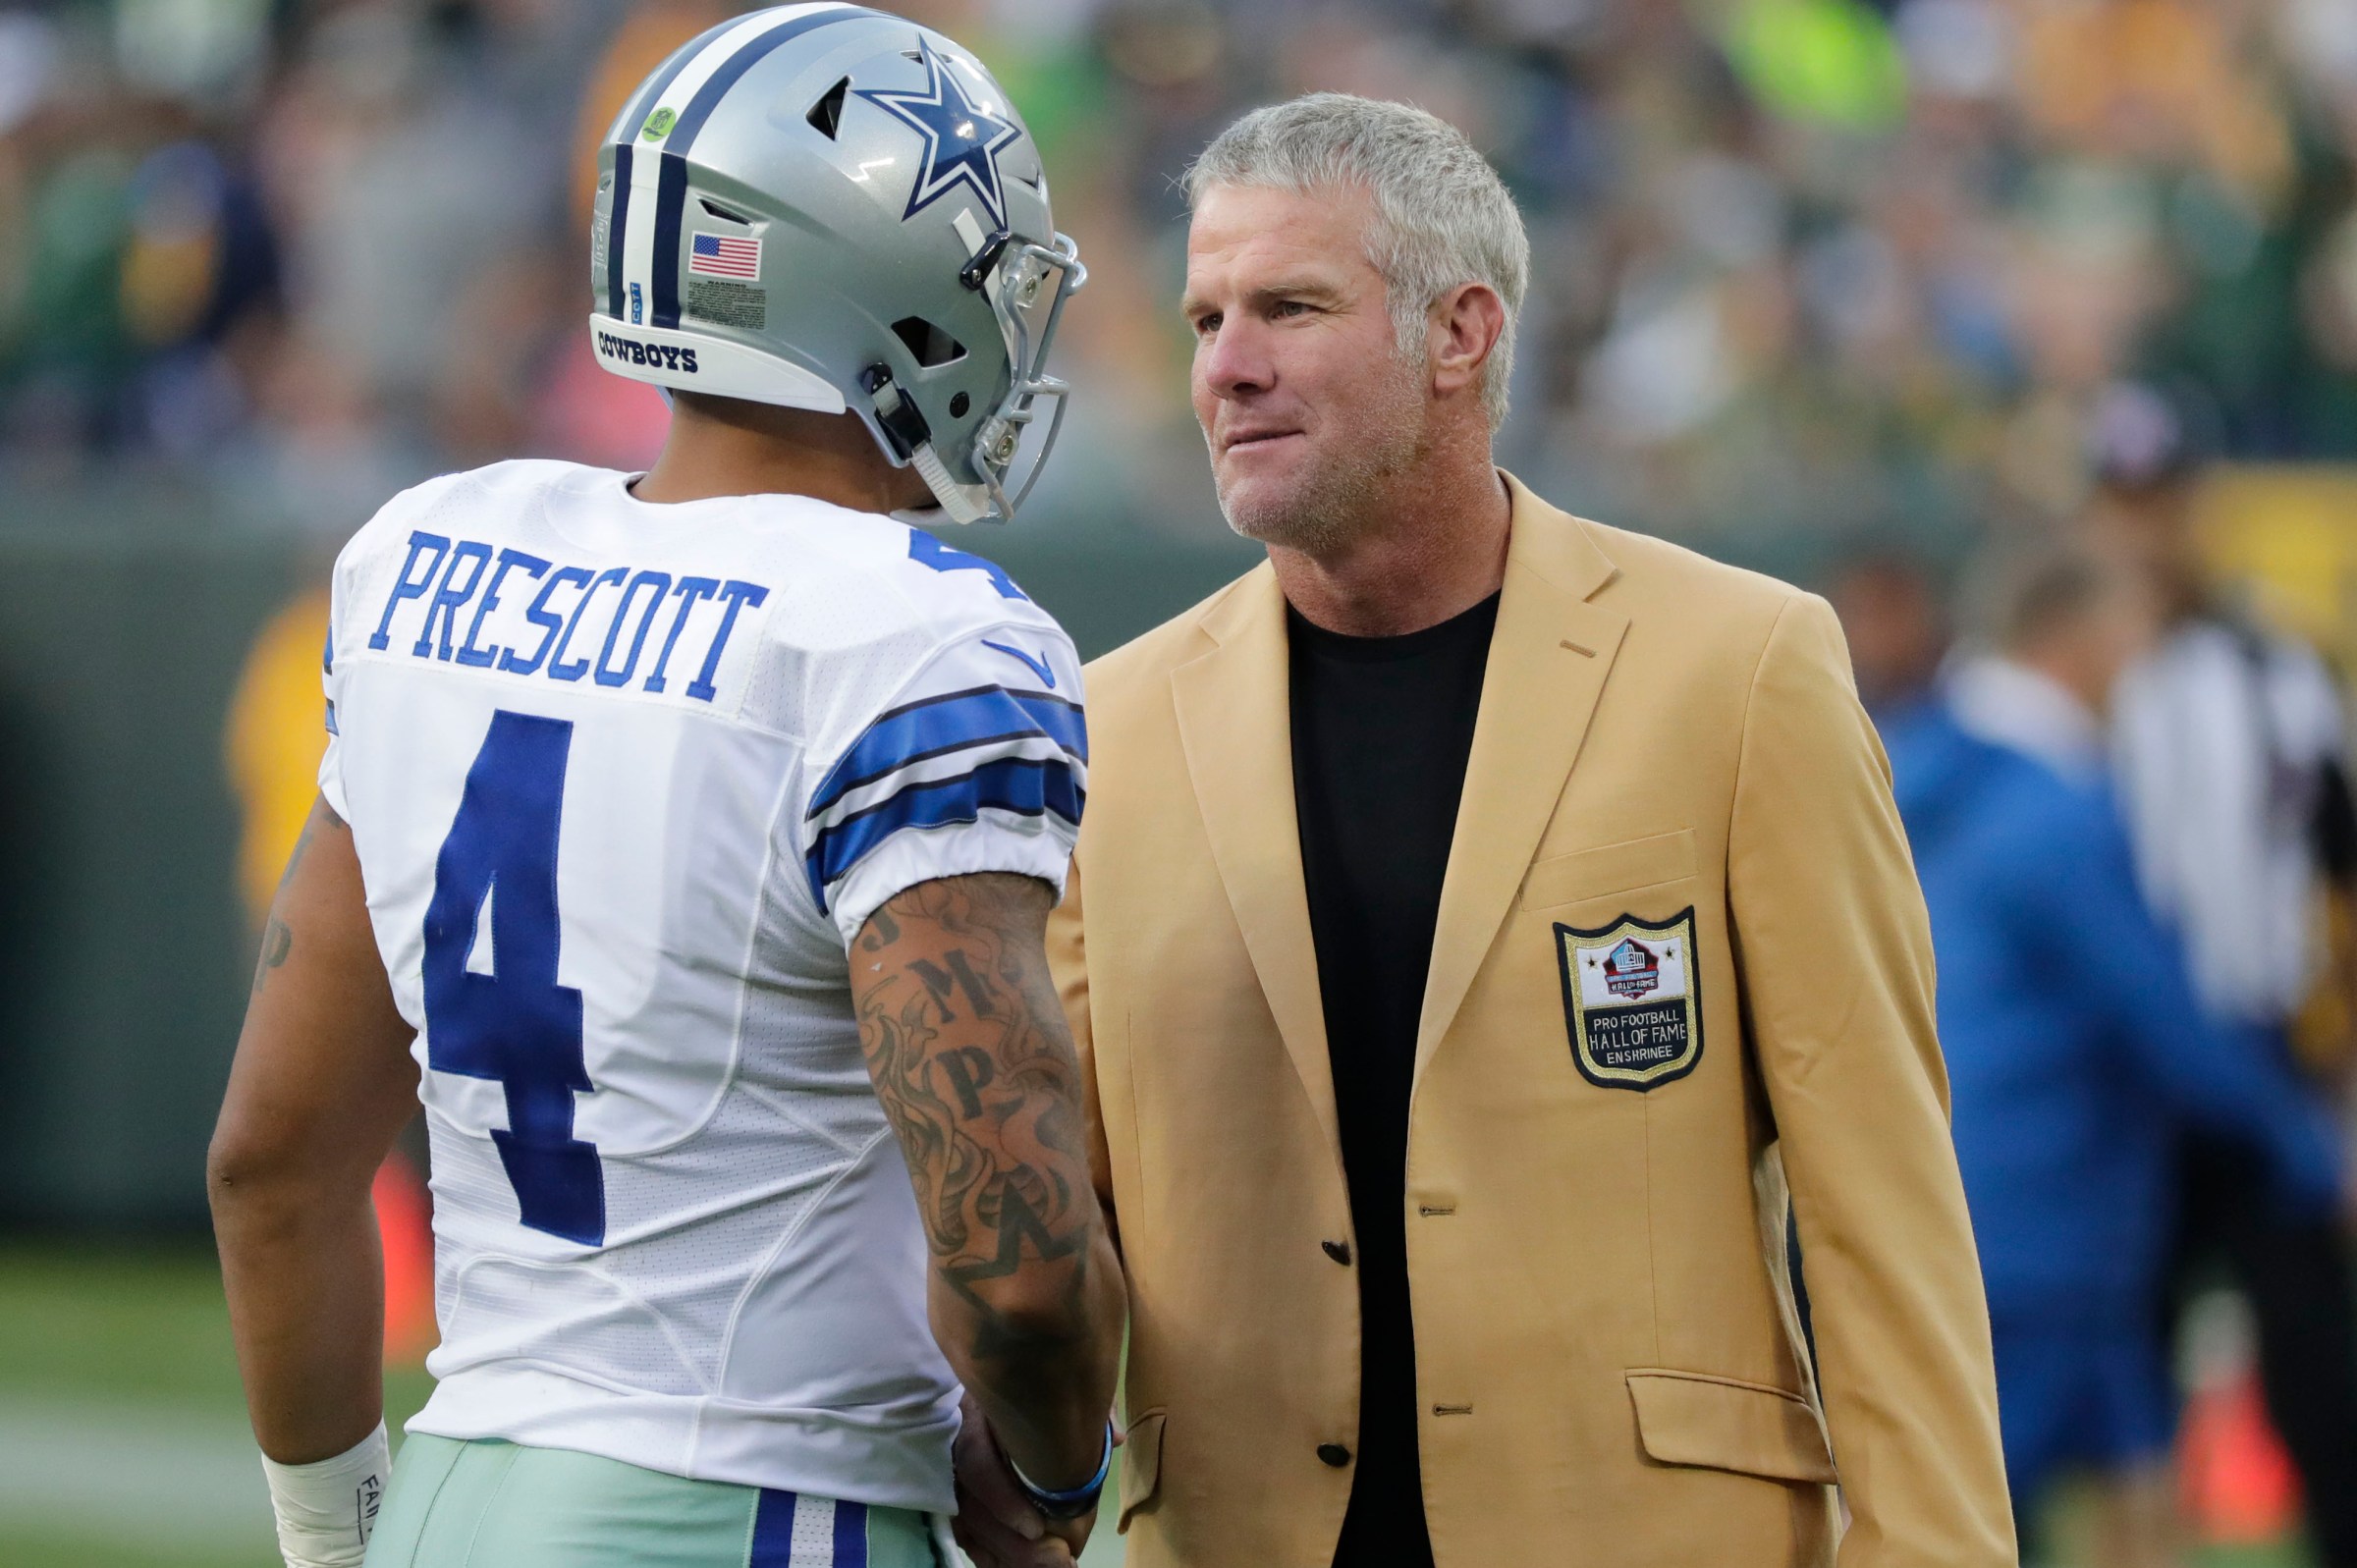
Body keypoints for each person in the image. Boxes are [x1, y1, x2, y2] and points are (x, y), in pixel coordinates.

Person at [1041, 93, 2013, 1566]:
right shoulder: (1106, 730)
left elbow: (1883, 1209)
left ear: (1462, 334)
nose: (1225, 368)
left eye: (1288, 307)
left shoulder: (1741, 669)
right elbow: (1045, 1218)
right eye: (1203, 318)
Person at [205, 11, 1124, 1568]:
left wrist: (336, 1533)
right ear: (870, 287)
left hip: (455, 1497)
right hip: (762, 1504)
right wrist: (1049, 1484)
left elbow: (273, 1161)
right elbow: (1017, 1263)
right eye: (981, 270)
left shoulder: (431, 556)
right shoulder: (913, 635)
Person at [1881, 549, 2342, 1567]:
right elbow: (2170, 1020)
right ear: (2079, 641)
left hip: (1945, 1185)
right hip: (2050, 1210)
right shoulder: (2056, 811)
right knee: (2019, 1512)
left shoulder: (1913, 763)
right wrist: (2314, 1157)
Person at [2087, 382, 2357, 1568]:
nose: (2144, 528)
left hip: (2259, 1047)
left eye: (2161, 500)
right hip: (2116, 1069)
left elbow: (2340, 865)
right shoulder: (2060, 665)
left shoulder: (2281, 668)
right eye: (2122, 502)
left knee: (2313, 1360)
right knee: (2111, 1367)